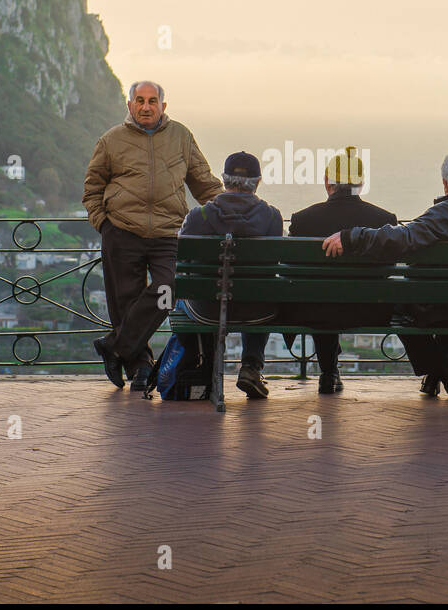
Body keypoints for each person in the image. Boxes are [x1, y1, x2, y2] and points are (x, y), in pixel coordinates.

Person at [320, 151, 448, 399]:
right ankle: (437, 374)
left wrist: (352, 236)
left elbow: (403, 238)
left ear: (444, 183)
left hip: (446, 307)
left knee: (401, 308)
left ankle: (442, 371)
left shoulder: (443, 215)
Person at [83, 80, 222, 393]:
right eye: (140, 100)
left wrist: (229, 208)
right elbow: (92, 188)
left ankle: (114, 347)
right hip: (121, 232)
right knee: (126, 303)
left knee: (167, 288)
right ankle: (141, 369)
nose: (146, 106)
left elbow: (204, 184)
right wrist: (103, 224)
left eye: (152, 101)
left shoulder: (181, 137)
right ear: (130, 105)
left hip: (168, 233)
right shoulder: (111, 141)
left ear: (163, 106)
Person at [285, 147, 397, 394]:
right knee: (331, 297)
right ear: (361, 183)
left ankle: (328, 372)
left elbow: (291, 272)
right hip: (370, 310)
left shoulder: (303, 219)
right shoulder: (384, 219)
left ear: (327, 182)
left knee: (322, 296)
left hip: (315, 311)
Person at [179, 151, 284, 399]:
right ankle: (250, 366)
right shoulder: (272, 217)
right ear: (257, 182)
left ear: (224, 180)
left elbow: (181, 262)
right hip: (256, 311)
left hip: (207, 309)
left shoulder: (199, 216)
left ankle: (206, 366)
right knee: (259, 291)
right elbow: (273, 267)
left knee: (183, 296)